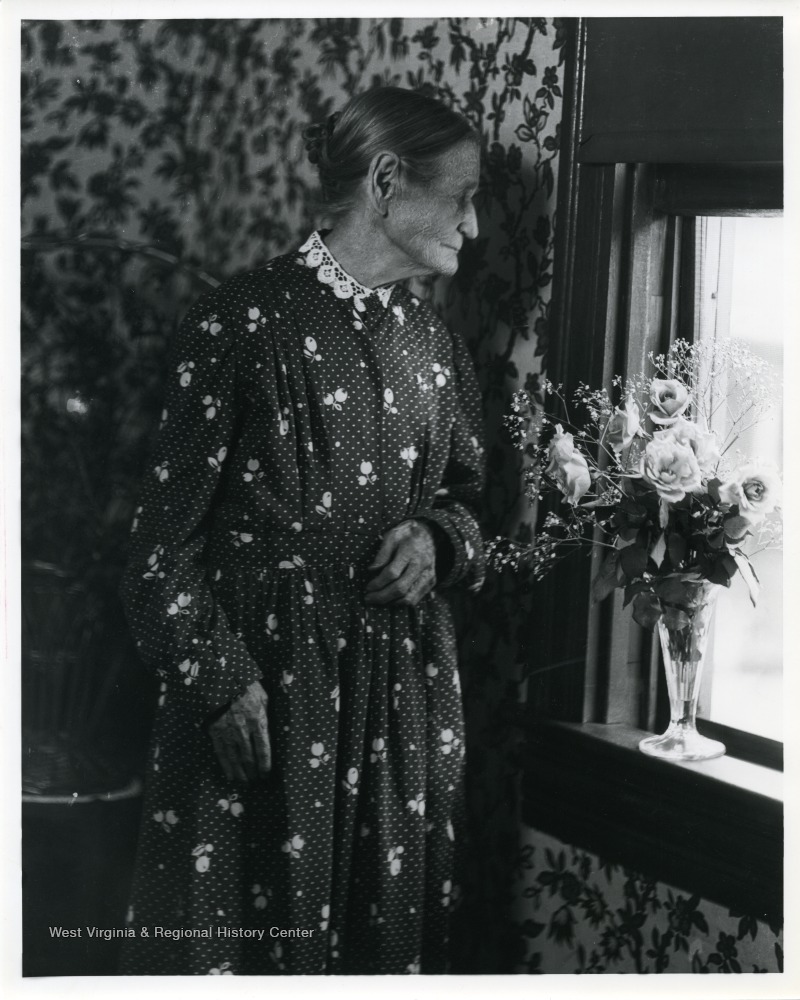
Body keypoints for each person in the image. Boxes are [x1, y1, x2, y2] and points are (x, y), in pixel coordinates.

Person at [119, 85, 485, 976]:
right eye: (463, 198)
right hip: (264, 692)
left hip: (397, 703)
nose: (473, 228)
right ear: (386, 182)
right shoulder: (240, 321)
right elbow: (159, 547)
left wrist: (438, 540)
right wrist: (220, 683)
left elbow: (472, 502)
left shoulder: (437, 347)